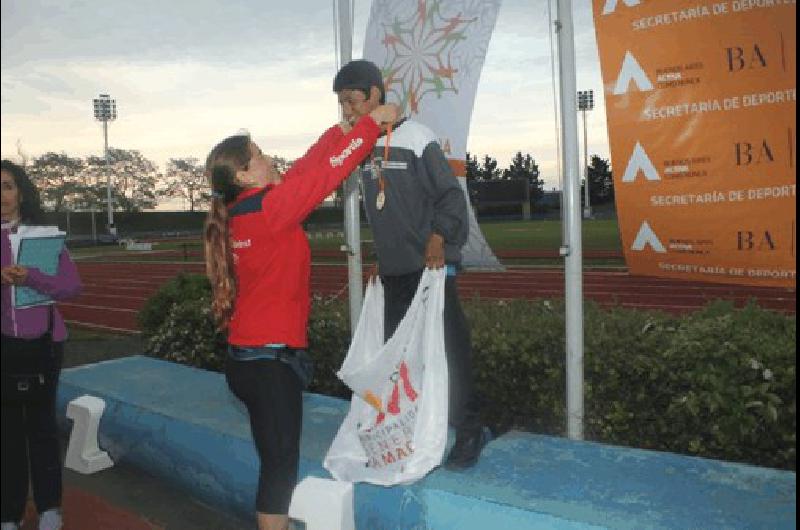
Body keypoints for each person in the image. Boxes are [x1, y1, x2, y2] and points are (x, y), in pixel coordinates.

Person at [203, 103, 398, 530]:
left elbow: (308, 170)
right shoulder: (272, 210)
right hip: (269, 365)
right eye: (258, 155)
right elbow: (326, 175)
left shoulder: (247, 212)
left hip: (248, 361)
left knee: (275, 460)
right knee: (279, 470)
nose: (268, 157)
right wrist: (369, 125)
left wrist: (339, 131)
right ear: (243, 176)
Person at [333, 59, 489, 470]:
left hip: (431, 269)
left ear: (374, 95)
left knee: (448, 352)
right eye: (341, 104)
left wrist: (438, 237)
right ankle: (418, 429)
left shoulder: (418, 137)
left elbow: (451, 199)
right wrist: (382, 260)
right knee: (401, 361)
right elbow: (384, 208)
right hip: (393, 273)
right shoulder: (362, 146)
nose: (347, 110)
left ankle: (471, 428)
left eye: (352, 101)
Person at [1, 160, 82, 530]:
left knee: (42, 428)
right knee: (7, 434)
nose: (1, 195)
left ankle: (50, 507)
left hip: (45, 346)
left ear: (20, 191)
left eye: (7, 186)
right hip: (3, 347)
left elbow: (70, 287)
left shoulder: (44, 237)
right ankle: (10, 512)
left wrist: (30, 275)